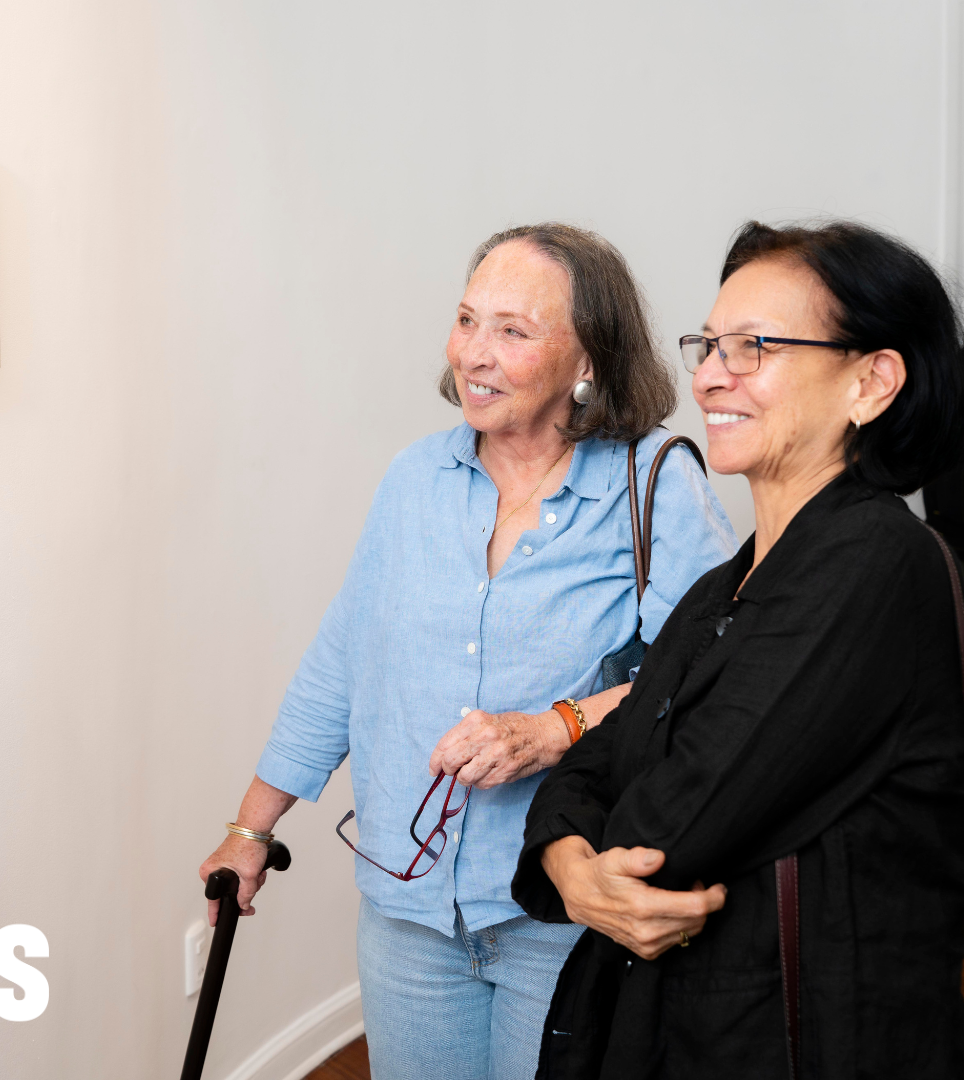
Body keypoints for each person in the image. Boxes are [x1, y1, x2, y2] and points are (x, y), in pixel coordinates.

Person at [199, 223, 736, 1079]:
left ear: (587, 359)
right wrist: (248, 829)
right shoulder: (415, 480)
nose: (473, 354)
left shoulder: (653, 484)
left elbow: (710, 679)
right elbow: (343, 660)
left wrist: (555, 728)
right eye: (466, 320)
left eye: (513, 331)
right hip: (407, 910)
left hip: (561, 905)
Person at [513, 220, 964, 1079]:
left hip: (801, 1039)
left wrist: (578, 849)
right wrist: (570, 867)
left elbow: (666, 827)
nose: (710, 374)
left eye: (754, 346)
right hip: (683, 1026)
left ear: (872, 382)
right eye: (711, 344)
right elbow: (600, 757)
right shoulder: (726, 583)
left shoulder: (875, 566)